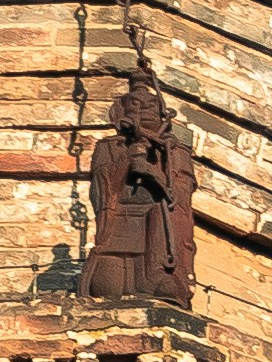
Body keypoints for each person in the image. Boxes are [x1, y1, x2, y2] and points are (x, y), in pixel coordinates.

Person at [83, 58, 196, 306]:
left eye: (149, 107)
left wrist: (156, 175)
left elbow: (181, 193)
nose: (143, 112)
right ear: (122, 112)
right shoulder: (109, 147)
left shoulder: (173, 151)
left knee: (158, 283)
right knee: (106, 285)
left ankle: (161, 277)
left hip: (157, 228)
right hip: (118, 228)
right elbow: (100, 188)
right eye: (135, 106)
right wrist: (130, 159)